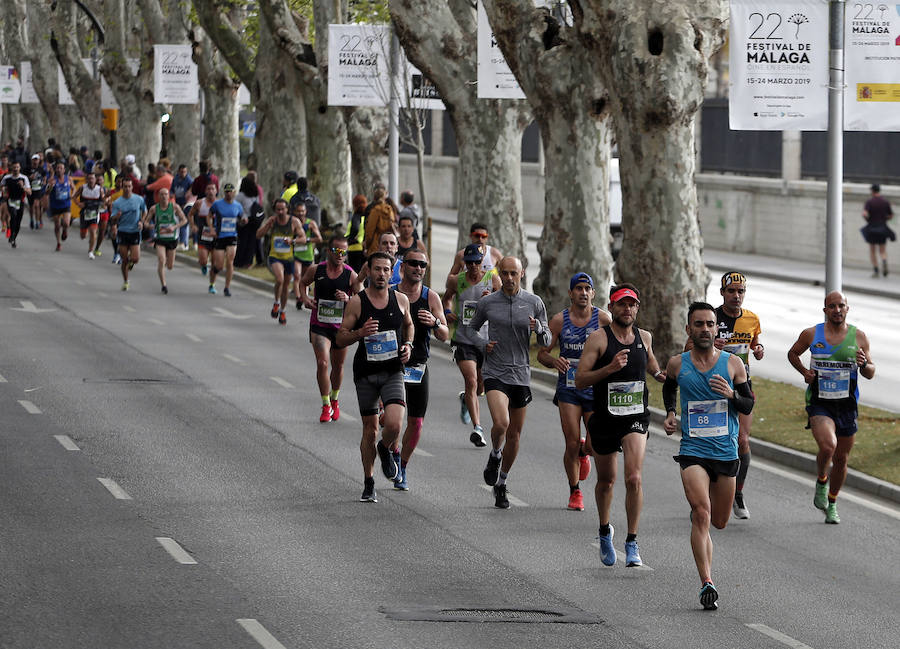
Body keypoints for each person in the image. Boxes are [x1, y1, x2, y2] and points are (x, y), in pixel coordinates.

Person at [662, 301, 754, 611]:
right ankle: (707, 582)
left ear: (717, 329)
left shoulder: (732, 364)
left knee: (719, 522)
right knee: (701, 512)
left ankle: (701, 519)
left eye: (710, 324)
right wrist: (671, 413)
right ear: (688, 329)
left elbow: (748, 404)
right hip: (693, 450)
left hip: (725, 452)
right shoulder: (677, 363)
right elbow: (669, 389)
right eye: (699, 324)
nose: (705, 329)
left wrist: (731, 394)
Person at [576, 284, 666, 566]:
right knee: (606, 481)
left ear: (637, 308)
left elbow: (654, 368)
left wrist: (668, 374)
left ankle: (632, 541)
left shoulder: (645, 337)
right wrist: (609, 369)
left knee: (634, 478)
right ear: (612, 308)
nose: (627, 309)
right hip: (604, 418)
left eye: (632, 305)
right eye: (621, 304)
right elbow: (581, 379)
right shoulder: (598, 339)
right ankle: (605, 531)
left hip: (635, 417)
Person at [787, 291, 875, 525]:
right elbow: (793, 353)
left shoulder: (859, 337)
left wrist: (864, 364)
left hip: (846, 405)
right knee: (828, 446)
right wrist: (805, 372)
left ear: (848, 309)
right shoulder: (811, 334)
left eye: (841, 306)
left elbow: (870, 372)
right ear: (825, 310)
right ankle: (822, 480)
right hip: (820, 403)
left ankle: (833, 504)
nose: (837, 310)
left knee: (842, 459)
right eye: (832, 306)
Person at [469, 256, 550, 509]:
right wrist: (484, 344)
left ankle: (502, 483)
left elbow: (547, 341)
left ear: (522, 273)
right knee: (501, 423)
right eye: (504, 273)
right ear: (499, 274)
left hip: (521, 375)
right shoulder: (488, 302)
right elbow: (470, 329)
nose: (509, 278)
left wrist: (540, 329)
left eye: (514, 273)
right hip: (495, 371)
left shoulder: (534, 302)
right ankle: (495, 454)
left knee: (514, 435)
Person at [336, 251, 414, 503]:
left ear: (392, 273)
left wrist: (409, 345)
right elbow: (340, 337)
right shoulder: (358, 302)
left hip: (392, 370)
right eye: (377, 269)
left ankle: (385, 447)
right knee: (370, 430)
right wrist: (360, 332)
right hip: (367, 373)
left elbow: (409, 325)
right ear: (368, 271)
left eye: (386, 269)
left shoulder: (401, 300)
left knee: (394, 425)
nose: (381, 274)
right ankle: (369, 482)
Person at [687, 272, 764, 520]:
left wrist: (758, 349)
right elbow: (687, 348)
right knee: (711, 437)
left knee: (742, 440)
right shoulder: (711, 318)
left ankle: (738, 493)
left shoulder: (752, 318)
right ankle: (704, 493)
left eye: (741, 291)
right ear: (722, 293)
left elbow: (755, 344)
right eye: (731, 291)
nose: (736, 295)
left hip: (740, 385)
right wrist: (709, 345)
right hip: (711, 384)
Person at [538, 272, 611, 511]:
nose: (582, 292)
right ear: (570, 293)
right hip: (568, 388)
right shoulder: (560, 320)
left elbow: (619, 342)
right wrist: (553, 361)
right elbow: (542, 353)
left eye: (586, 288)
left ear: (593, 293)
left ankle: (584, 451)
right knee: (570, 442)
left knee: (593, 444)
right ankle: (575, 490)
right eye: (578, 288)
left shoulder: (603, 319)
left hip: (594, 389)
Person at [389, 249, 449, 491]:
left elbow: (445, 335)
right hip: (392, 365)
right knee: (392, 419)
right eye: (413, 263)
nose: (418, 268)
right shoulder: (392, 293)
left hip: (418, 367)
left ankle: (401, 466)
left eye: (422, 265)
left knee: (416, 423)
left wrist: (435, 323)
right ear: (403, 266)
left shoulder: (431, 297)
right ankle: (392, 450)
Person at [442, 244, 500, 446]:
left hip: (485, 341)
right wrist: (448, 313)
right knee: (472, 381)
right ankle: (478, 428)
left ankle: (467, 401)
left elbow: (504, 305)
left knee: (481, 384)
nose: (474, 266)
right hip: (463, 338)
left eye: (477, 261)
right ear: (464, 264)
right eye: (470, 262)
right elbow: (446, 299)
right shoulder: (457, 280)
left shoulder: (492, 280)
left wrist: (491, 300)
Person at [300, 236, 357, 422]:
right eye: (337, 251)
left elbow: (361, 298)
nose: (340, 255)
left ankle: (334, 400)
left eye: (344, 252)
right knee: (322, 363)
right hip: (319, 325)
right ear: (328, 251)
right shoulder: (317, 269)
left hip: (341, 328)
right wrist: (306, 299)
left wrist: (348, 299)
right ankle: (325, 405)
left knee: (338, 365)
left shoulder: (350, 275)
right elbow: (303, 283)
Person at [257, 198, 306, 324]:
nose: (280, 212)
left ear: (287, 209)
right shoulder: (272, 221)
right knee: (280, 279)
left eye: (282, 209)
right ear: (275, 210)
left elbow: (303, 238)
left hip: (289, 258)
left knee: (285, 286)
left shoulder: (294, 221)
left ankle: (283, 311)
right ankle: (276, 302)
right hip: (275, 256)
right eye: (278, 209)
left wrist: (292, 241)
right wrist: (268, 225)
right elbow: (258, 235)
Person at [110, 179, 147, 291]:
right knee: (124, 259)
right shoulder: (117, 202)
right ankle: (126, 281)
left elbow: (145, 211)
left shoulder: (138, 199)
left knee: (135, 259)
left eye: (129, 186)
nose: (127, 189)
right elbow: (112, 219)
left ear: (132, 187)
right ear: (122, 188)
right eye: (125, 186)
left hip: (135, 231)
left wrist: (142, 221)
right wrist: (117, 216)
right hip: (123, 231)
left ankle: (131, 262)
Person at [148, 188, 188, 294]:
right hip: (160, 238)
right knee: (161, 260)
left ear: (169, 196)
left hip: (172, 238)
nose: (164, 196)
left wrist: (174, 227)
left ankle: (165, 264)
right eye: (161, 194)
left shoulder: (175, 207)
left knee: (170, 266)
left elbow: (184, 220)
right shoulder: (154, 209)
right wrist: (150, 226)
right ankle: (164, 285)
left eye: (166, 194)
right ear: (158, 197)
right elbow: (146, 222)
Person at [207, 183, 244, 296]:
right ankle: (212, 283)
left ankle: (227, 287)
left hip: (232, 235)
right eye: (226, 191)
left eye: (230, 191)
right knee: (218, 265)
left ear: (234, 192)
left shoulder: (238, 205)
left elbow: (241, 218)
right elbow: (209, 215)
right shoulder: (217, 204)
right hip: (220, 236)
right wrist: (211, 228)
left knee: (230, 261)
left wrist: (243, 221)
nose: (228, 193)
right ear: (224, 192)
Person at [291, 202, 323, 308]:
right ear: (295, 212)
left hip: (308, 255)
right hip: (296, 254)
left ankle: (306, 298)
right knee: (296, 275)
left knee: (307, 279)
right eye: (298, 211)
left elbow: (319, 238)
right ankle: (298, 298)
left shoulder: (311, 223)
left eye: (302, 211)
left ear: (306, 212)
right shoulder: (293, 223)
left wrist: (307, 239)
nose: (300, 213)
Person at [861, 183, 894, 277]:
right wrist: (885, 219)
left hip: (872, 228)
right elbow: (891, 215)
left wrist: (868, 220)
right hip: (882, 228)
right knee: (882, 250)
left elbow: (864, 214)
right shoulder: (885, 202)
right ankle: (884, 261)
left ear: (872, 191)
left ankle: (876, 270)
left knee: (872, 250)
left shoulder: (869, 202)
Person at [188, 183, 218, 280]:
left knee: (215, 263)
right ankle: (204, 265)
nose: (210, 191)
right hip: (203, 236)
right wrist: (193, 225)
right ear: (205, 191)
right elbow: (190, 214)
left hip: (216, 237)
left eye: (212, 189)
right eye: (208, 189)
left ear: (216, 191)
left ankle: (212, 284)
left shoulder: (220, 204)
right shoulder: (200, 203)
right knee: (203, 260)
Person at [72, 171, 105, 259]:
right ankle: (86, 233)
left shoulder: (99, 189)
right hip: (84, 214)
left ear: (95, 180)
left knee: (93, 233)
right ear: (86, 180)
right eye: (89, 178)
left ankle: (90, 251)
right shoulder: (82, 188)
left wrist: (104, 204)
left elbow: (103, 200)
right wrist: (78, 204)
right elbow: (74, 197)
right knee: (83, 236)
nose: (91, 180)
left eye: (92, 178)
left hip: (94, 214)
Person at [1, 162, 31, 248]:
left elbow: (29, 192)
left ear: (20, 168)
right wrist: (4, 190)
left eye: (17, 167)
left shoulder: (24, 178)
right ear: (12, 168)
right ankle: (11, 234)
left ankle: (13, 237)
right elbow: (2, 186)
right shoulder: (7, 178)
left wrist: (23, 187)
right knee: (13, 215)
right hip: (11, 200)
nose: (15, 169)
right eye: (14, 167)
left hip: (20, 201)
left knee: (18, 222)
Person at [47, 161, 73, 251]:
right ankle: (58, 243)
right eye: (57, 168)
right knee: (57, 225)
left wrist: (72, 195)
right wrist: (51, 186)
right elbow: (46, 193)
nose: (59, 170)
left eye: (61, 168)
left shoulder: (68, 179)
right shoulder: (51, 180)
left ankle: (65, 230)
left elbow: (74, 188)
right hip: (55, 205)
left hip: (66, 204)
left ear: (64, 170)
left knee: (66, 223)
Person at [363, 186, 397, 256]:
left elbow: (370, 230)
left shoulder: (375, 211)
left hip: (376, 245)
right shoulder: (389, 209)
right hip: (389, 244)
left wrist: (367, 245)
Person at [170, 164, 193, 250]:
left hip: (186, 204)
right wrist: (171, 194)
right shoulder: (175, 179)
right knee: (178, 222)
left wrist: (187, 202)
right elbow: (171, 189)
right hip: (177, 203)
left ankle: (184, 243)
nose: (183, 173)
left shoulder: (189, 180)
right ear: (178, 172)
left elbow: (192, 191)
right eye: (182, 172)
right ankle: (179, 241)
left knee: (184, 223)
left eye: (185, 172)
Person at [345, 194, 367, 272]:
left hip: (354, 248)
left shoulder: (356, 216)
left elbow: (355, 227)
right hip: (364, 250)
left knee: (354, 274)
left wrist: (351, 238)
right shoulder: (366, 216)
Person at [27, 154, 45, 230]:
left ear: (39, 161)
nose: (35, 161)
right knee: (31, 206)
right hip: (30, 189)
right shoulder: (27, 169)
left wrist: (43, 182)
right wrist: (29, 177)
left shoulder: (41, 169)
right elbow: (24, 178)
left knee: (37, 205)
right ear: (32, 160)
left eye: (36, 159)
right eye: (34, 159)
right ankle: (31, 219)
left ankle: (37, 221)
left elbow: (44, 178)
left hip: (38, 189)